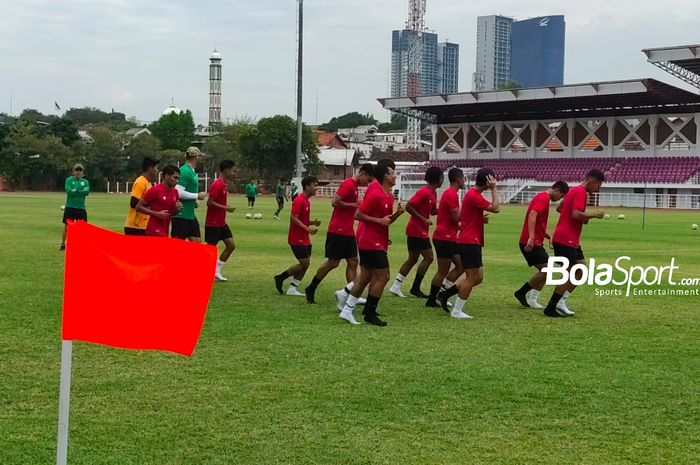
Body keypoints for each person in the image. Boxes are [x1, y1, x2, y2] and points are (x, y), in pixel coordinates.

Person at [338, 163, 405, 326]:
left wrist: (397, 214)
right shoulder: (375, 193)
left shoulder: (389, 195)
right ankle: (369, 312)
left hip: (378, 241)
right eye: (392, 173)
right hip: (370, 241)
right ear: (385, 177)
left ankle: (347, 309)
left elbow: (385, 221)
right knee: (384, 276)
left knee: (366, 277)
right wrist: (378, 221)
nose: (395, 175)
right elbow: (358, 214)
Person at [304, 164, 374, 304]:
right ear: (363, 174)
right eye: (368, 180)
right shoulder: (348, 184)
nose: (368, 183)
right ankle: (311, 287)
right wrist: (353, 205)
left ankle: (352, 294)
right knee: (333, 263)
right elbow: (334, 201)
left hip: (348, 230)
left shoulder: (354, 186)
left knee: (353, 262)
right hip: (338, 230)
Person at [437, 168, 500, 319]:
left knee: (478, 277)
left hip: (471, 241)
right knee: (472, 278)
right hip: (468, 242)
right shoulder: (473, 195)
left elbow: (467, 217)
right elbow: (496, 208)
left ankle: (445, 294)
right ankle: (457, 310)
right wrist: (494, 189)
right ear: (487, 180)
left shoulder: (473, 195)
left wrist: (479, 219)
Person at [542, 170, 606, 317]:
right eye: (598, 185)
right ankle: (552, 306)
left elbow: (561, 208)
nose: (597, 189)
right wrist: (594, 215)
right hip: (566, 239)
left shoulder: (574, 191)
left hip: (570, 239)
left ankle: (561, 301)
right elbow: (576, 214)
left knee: (580, 270)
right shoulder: (580, 192)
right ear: (592, 181)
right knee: (570, 272)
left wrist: (584, 218)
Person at [513, 181, 569, 309]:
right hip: (530, 242)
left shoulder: (544, 199)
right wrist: (531, 237)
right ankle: (521, 292)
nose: (559, 199)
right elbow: (533, 215)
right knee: (547, 270)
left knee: (546, 270)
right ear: (557, 190)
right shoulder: (543, 198)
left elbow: (539, 222)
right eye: (561, 196)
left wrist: (548, 237)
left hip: (536, 241)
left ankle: (532, 299)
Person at [389, 166, 442, 298]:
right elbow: (409, 206)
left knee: (412, 259)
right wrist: (423, 219)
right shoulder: (424, 192)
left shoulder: (433, 193)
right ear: (437, 179)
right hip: (416, 230)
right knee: (429, 257)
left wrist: (445, 210)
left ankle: (396, 285)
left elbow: (433, 211)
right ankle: (415, 287)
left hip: (418, 230)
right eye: (442, 177)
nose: (443, 180)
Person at [274, 176, 321, 296]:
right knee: (304, 263)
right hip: (297, 238)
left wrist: (312, 223)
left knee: (306, 264)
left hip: (305, 238)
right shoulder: (299, 200)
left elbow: (301, 219)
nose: (316, 188)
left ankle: (292, 288)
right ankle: (280, 278)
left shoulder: (306, 201)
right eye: (314, 185)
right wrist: (307, 228)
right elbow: (293, 218)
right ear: (307, 187)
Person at [426, 167, 465, 308]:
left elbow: (452, 220)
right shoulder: (451, 194)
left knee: (461, 265)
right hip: (444, 237)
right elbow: (456, 218)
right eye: (463, 178)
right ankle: (432, 299)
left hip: (449, 237)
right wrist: (472, 213)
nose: (465, 181)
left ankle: (441, 293)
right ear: (458, 179)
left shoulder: (451, 194)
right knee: (442, 270)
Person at [206, 160, 237, 281]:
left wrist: (226, 207)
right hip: (212, 223)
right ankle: (205, 271)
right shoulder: (217, 184)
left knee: (231, 245)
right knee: (210, 251)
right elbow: (210, 203)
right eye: (232, 170)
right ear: (226, 170)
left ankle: (216, 271)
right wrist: (226, 208)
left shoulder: (224, 184)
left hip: (221, 223)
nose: (233, 173)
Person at [171, 146, 207, 241]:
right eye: (199, 156)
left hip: (189, 214)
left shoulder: (191, 171)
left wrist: (193, 201)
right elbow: (178, 192)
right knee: (179, 247)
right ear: (196, 157)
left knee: (196, 242)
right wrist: (197, 196)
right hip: (181, 215)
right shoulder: (185, 171)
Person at [136, 165, 182, 237]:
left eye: (178, 178)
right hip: (153, 231)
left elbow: (170, 214)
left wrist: (177, 210)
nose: (177, 181)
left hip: (165, 231)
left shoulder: (175, 192)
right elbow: (138, 207)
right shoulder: (155, 190)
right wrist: (156, 213)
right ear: (166, 176)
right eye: (175, 178)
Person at [124, 157, 159, 236]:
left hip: (143, 225)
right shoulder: (140, 182)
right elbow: (133, 203)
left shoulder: (148, 183)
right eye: (156, 168)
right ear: (150, 169)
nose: (157, 171)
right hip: (135, 226)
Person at [60, 163, 90, 250]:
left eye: (80, 170)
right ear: (73, 171)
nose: (78, 172)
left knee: (82, 227)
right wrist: (80, 191)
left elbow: (87, 192)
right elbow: (69, 191)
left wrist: (76, 190)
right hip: (70, 207)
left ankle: (80, 244)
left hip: (81, 208)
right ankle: (63, 244)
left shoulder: (85, 182)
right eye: (77, 170)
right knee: (67, 226)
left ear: (82, 172)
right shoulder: (69, 180)